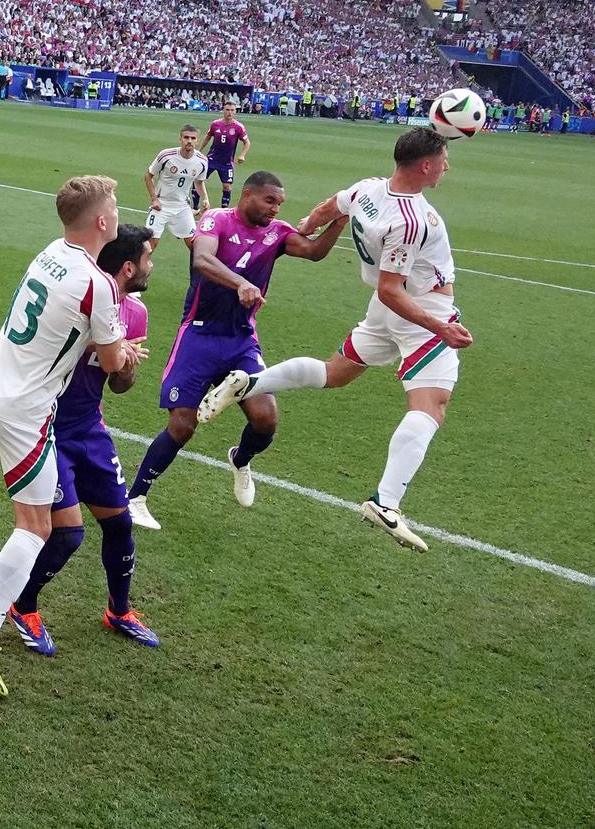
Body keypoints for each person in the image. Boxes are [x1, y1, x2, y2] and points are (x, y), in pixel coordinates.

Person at [197, 129, 473, 553]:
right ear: (425, 165)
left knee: (335, 373)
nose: (447, 166)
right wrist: (442, 328)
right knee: (431, 405)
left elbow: (331, 205)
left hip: (387, 315)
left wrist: (307, 227)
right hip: (419, 312)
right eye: (443, 159)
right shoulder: (411, 220)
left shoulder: (368, 188)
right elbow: (390, 289)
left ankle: (249, 384)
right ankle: (387, 502)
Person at [0, 176, 139, 697]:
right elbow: (111, 363)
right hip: (25, 410)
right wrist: (125, 350)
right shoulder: (100, 285)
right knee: (36, 527)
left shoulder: (49, 252)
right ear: (103, 221)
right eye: (113, 206)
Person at [126, 172, 348, 531]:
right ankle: (136, 498)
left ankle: (240, 459)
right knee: (182, 426)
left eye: (279, 204)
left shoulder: (277, 232)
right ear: (247, 196)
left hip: (242, 339)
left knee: (266, 419)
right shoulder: (217, 219)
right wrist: (241, 282)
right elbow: (202, 260)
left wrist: (341, 218)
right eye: (270, 201)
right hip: (199, 336)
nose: (275, 210)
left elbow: (313, 251)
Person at [6, 225, 159, 655]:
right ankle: (23, 606)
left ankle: (119, 610)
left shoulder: (136, 313)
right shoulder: (76, 298)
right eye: (148, 259)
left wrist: (125, 360)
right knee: (67, 535)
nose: (152, 266)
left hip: (90, 429)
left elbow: (122, 385)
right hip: (46, 427)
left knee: (120, 524)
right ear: (128, 267)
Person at [143, 125, 209, 253]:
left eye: (193, 138)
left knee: (195, 247)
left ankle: (198, 273)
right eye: (186, 137)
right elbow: (148, 176)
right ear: (180, 139)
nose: (189, 141)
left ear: (197, 141)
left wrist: (205, 198)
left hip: (182, 206)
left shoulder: (202, 161)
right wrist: (154, 199)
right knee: (149, 247)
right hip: (161, 205)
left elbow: (199, 182)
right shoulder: (166, 155)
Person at [199, 102, 249, 209]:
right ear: (223, 110)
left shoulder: (238, 127)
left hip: (226, 162)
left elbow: (247, 143)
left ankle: (224, 210)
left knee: (227, 187)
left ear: (235, 111)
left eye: (232, 110)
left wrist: (242, 155)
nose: (229, 112)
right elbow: (207, 137)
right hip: (211, 159)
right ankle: (195, 207)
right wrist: (199, 150)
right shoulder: (215, 124)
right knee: (199, 180)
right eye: (227, 110)